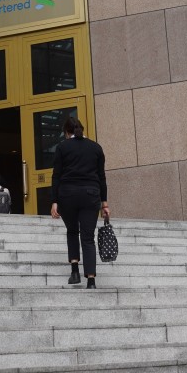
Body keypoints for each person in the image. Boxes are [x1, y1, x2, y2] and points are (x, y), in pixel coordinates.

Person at [50, 116, 108, 289]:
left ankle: (75, 271)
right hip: (91, 194)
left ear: (67, 132)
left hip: (67, 194)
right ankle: (91, 281)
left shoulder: (62, 147)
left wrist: (54, 201)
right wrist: (105, 203)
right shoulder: (96, 148)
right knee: (88, 238)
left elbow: (56, 175)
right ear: (81, 129)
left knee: (72, 231)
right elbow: (101, 177)